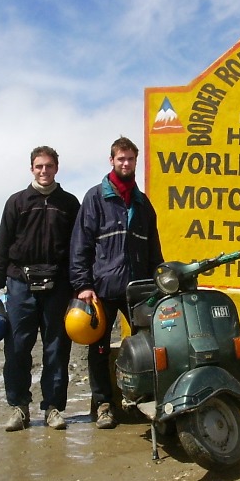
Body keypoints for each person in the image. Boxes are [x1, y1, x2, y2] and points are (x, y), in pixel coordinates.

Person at [69, 136, 163, 429]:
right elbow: (80, 246)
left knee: (149, 346)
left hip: (138, 291)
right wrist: (84, 284)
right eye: (121, 159)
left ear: (136, 162)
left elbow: (154, 251)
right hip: (102, 290)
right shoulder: (95, 198)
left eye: (130, 159)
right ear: (111, 161)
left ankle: (144, 400)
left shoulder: (142, 203)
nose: (126, 163)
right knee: (98, 349)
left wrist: (158, 282)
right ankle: (104, 405)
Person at [0, 146, 80, 431]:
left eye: (49, 166)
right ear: (31, 169)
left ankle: (53, 409)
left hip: (58, 285)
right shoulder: (17, 202)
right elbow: (2, 244)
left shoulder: (69, 203)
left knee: (56, 349)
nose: (44, 171)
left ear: (56, 169)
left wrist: (79, 284)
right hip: (19, 284)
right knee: (16, 348)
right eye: (39, 166)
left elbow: (78, 248)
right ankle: (19, 408)